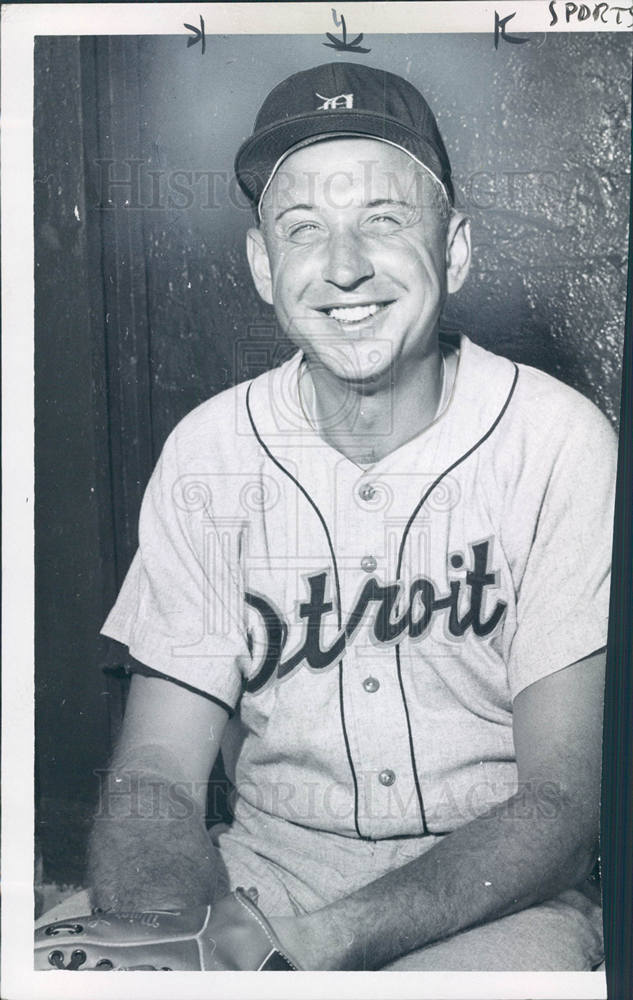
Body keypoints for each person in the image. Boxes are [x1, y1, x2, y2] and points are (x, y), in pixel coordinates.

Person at [62, 62, 617, 971]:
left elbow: (562, 806)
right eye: (302, 230)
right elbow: (156, 772)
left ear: (455, 249)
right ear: (261, 267)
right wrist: (190, 940)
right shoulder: (209, 453)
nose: (344, 266)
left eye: (384, 221)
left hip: (496, 898)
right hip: (264, 874)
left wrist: (314, 949)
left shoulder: (557, 440)